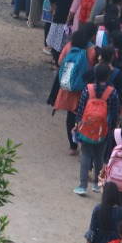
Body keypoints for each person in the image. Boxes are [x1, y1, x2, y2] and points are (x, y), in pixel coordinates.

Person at [74, 62, 119, 195]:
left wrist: (77, 125)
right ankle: (97, 184)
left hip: (87, 128)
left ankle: (82, 185)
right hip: (103, 130)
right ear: (108, 76)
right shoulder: (113, 93)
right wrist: (111, 130)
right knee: (99, 155)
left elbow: (81, 109)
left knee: (86, 154)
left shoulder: (88, 89)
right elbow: (114, 114)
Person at [50, 23, 96, 154]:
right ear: (92, 35)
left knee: (70, 116)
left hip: (68, 87)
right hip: (85, 89)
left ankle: (72, 145)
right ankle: (84, 143)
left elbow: (59, 62)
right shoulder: (93, 50)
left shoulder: (70, 46)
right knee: (84, 116)